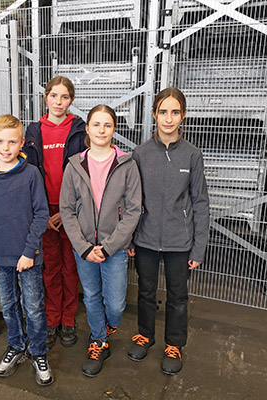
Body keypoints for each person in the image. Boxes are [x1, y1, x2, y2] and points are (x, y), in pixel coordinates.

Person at [128, 87, 209, 375]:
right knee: (146, 291)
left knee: (177, 295)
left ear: (183, 116)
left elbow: (200, 202)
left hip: (180, 242)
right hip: (146, 239)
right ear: (154, 115)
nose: (168, 118)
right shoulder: (140, 154)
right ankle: (145, 335)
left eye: (175, 112)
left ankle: (174, 344)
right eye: (163, 112)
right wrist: (131, 237)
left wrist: (198, 247)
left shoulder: (192, 156)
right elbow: (132, 200)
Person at [60, 105, 142, 377]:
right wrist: (84, 247)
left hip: (114, 248)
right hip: (83, 248)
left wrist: (109, 246)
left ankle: (108, 325)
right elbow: (67, 210)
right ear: (87, 128)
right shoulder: (74, 165)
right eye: (96, 124)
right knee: (92, 296)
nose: (101, 130)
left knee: (116, 304)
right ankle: (98, 340)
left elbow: (132, 211)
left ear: (114, 129)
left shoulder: (127, 165)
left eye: (107, 125)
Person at [0, 115, 53, 386]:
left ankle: (38, 351)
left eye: (11, 142)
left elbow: (42, 214)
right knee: (9, 306)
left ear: (21, 143)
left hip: (29, 256)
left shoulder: (31, 174)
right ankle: (17, 346)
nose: (5, 148)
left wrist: (30, 251)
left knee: (33, 307)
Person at [23, 76, 86, 348]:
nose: (58, 102)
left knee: (70, 267)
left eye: (64, 97)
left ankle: (68, 318)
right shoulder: (34, 131)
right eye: (54, 96)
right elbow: (28, 173)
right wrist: (43, 214)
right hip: (43, 211)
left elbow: (86, 175)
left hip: (71, 210)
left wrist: (68, 210)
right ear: (45, 97)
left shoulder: (80, 130)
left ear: (71, 100)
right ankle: (51, 318)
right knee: (50, 267)